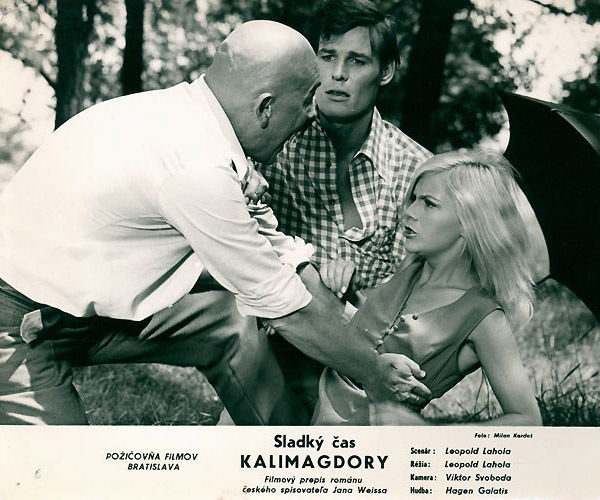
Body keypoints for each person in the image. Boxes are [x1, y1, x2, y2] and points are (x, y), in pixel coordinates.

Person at [0, 21, 430, 425]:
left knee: (228, 320)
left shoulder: (199, 123)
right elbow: (282, 304)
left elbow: (285, 260)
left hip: (90, 308)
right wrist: (373, 374)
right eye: (304, 102)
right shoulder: (197, 168)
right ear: (265, 108)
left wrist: (366, 351)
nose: (311, 116)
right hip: (16, 319)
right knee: (65, 470)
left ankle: (290, 456)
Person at [257, 0, 433, 421]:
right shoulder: (273, 145)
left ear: (385, 72)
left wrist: (354, 293)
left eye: (356, 60)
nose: (338, 74)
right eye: (327, 56)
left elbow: (420, 297)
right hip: (279, 346)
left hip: (368, 362)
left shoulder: (415, 169)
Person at [312, 152, 544, 426]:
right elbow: (377, 333)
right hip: (317, 422)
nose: (409, 212)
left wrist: (428, 435)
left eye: (429, 204)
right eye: (414, 198)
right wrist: (347, 291)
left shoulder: (484, 317)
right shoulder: (411, 266)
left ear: (470, 223)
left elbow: (528, 420)